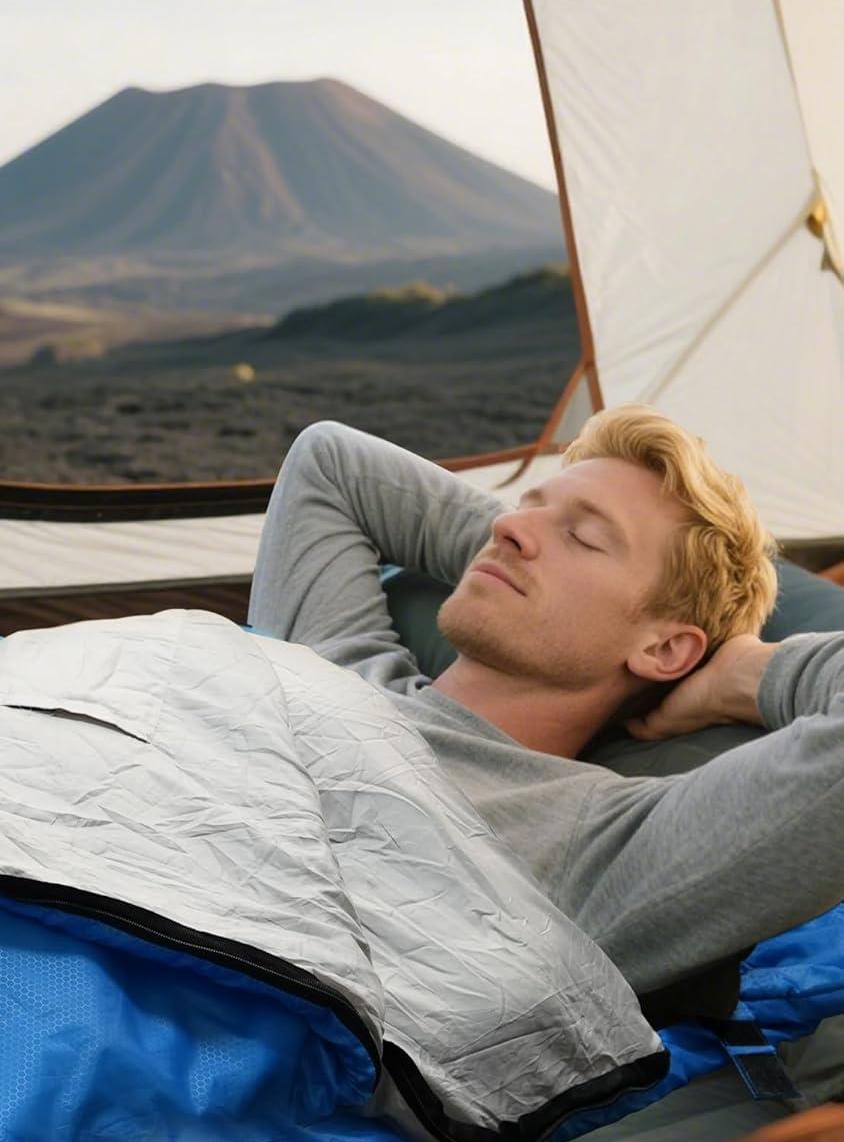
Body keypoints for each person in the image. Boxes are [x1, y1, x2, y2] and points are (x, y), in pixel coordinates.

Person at [248, 406, 844, 997]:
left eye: (583, 536)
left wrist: (744, 671)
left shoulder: (596, 848)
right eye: (526, 506)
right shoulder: (339, 665)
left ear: (665, 649)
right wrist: (525, 554)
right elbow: (330, 461)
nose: (505, 528)